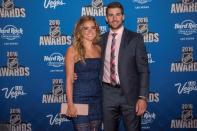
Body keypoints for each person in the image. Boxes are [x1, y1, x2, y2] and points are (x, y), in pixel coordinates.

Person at [100, 2, 149, 131]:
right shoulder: (100, 40)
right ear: (106, 18)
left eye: (117, 14)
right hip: (107, 94)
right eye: (110, 15)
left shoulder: (136, 38)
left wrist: (142, 97)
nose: (114, 18)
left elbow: (143, 70)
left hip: (130, 95)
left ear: (123, 16)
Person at [65, 16, 102, 131]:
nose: (90, 31)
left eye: (93, 27)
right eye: (86, 28)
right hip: (80, 98)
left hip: (97, 99)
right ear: (80, 31)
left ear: (97, 29)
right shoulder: (72, 50)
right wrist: (70, 104)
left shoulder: (99, 49)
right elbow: (69, 79)